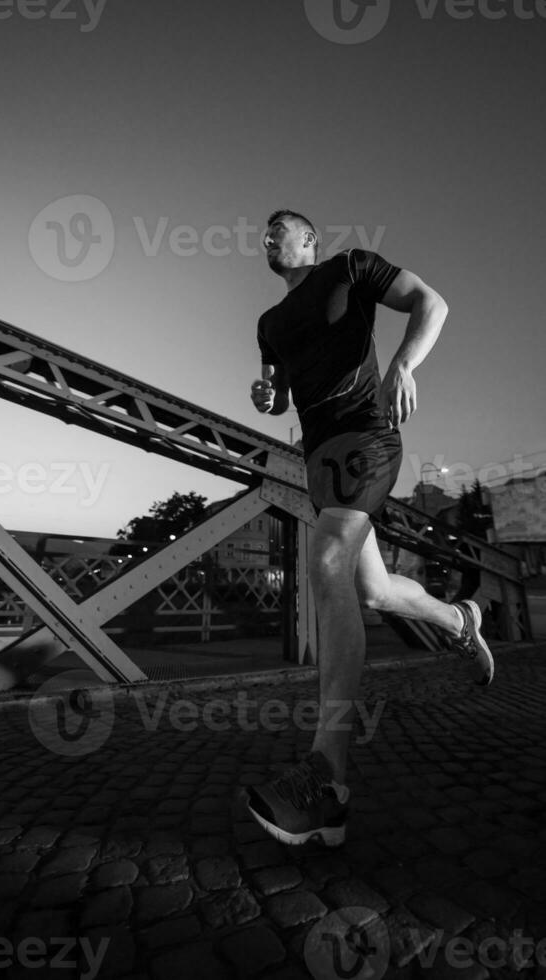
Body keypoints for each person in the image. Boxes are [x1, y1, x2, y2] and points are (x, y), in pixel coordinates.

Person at [245, 209, 494, 847]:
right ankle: (458, 620)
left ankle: (327, 778)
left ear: (309, 241)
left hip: (368, 436)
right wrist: (267, 397)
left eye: (281, 229)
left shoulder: (348, 267)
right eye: (263, 233)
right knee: (374, 592)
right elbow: (277, 390)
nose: (269, 237)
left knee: (326, 559)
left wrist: (405, 365)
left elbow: (430, 304)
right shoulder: (268, 325)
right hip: (320, 459)